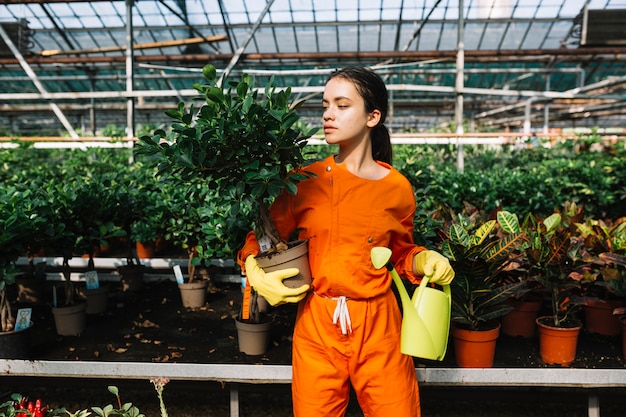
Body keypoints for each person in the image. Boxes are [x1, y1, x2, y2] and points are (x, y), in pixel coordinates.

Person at [237, 66, 455, 417]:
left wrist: (423, 260)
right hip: (317, 321)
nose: (327, 114)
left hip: (381, 325)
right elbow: (263, 236)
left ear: (373, 116)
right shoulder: (304, 181)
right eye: (325, 105)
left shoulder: (396, 187)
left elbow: (399, 253)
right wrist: (253, 267)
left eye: (341, 105)